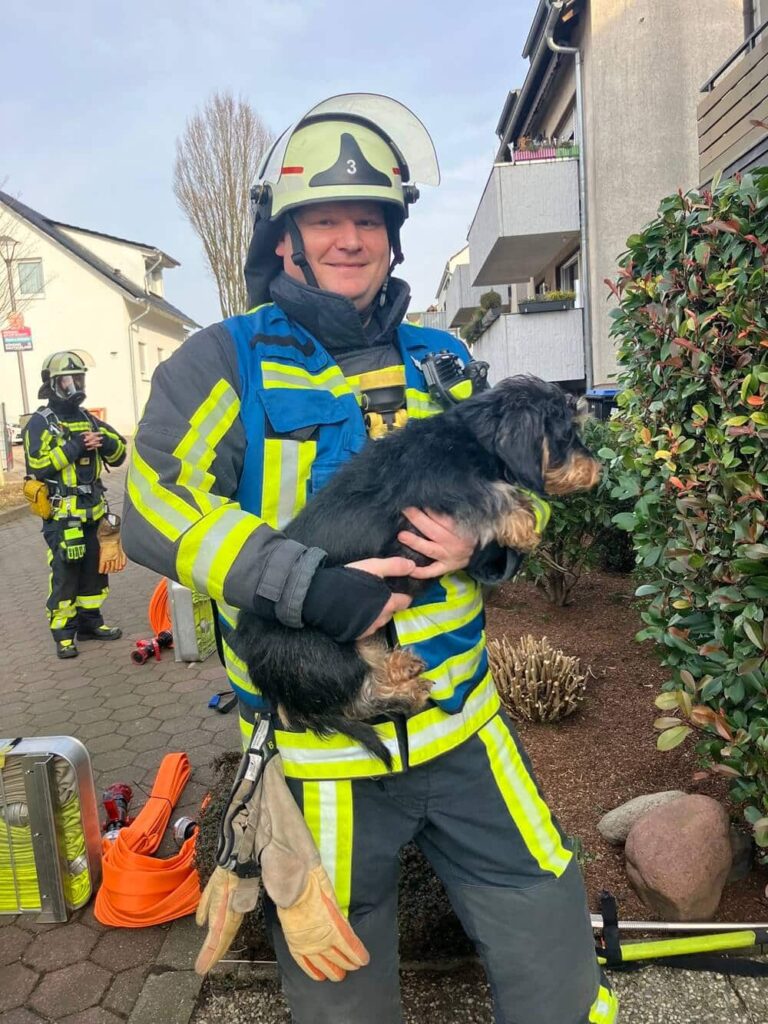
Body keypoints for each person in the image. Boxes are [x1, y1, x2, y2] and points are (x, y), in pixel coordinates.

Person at [122, 94, 617, 1024]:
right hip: (322, 750)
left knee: (553, 943)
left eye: (369, 219)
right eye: (325, 219)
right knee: (340, 983)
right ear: (286, 241)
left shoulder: (446, 362)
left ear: (393, 238)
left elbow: (514, 503)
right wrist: (305, 586)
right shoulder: (222, 363)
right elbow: (152, 505)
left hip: (467, 727)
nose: (349, 238)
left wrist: (484, 547)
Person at [23, 351, 126, 659]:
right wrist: (74, 447)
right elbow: (38, 466)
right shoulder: (39, 423)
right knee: (66, 572)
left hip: (94, 511)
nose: (74, 386)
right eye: (66, 381)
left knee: (96, 569)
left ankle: (91, 623)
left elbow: (119, 452)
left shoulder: (87, 419)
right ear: (52, 385)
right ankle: (63, 634)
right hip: (62, 514)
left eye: (78, 379)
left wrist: (104, 443)